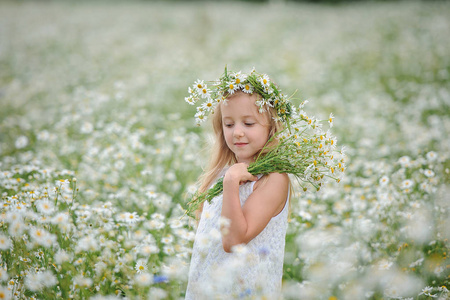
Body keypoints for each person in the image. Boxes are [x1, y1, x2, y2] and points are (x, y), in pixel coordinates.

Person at [184, 68, 292, 299]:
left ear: (271, 126)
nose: (238, 133)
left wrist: (232, 183)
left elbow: (233, 241)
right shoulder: (222, 173)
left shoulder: (274, 179)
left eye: (249, 123)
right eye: (229, 124)